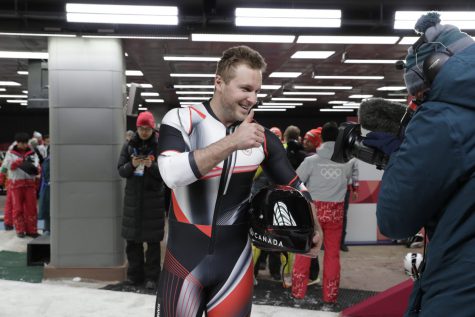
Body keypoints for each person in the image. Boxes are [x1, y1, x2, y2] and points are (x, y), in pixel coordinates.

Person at [155, 45, 321, 317]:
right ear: (218, 82)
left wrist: (315, 226)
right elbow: (171, 174)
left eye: (257, 91)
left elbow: (297, 187)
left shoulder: (261, 137)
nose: (253, 99)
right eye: (245, 89)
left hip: (234, 265)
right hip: (184, 264)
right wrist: (233, 142)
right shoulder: (183, 120)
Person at [364, 12, 475, 316]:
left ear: (436, 66)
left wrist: (402, 154)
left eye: (422, 93)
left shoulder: (441, 119)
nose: (420, 101)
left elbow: (394, 219)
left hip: (461, 289)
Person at [293, 121, 354, 306]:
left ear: (321, 138)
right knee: (332, 255)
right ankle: (330, 297)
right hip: (335, 212)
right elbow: (348, 181)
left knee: (304, 252)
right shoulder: (348, 162)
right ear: (338, 139)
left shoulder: (311, 161)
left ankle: (297, 295)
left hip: (313, 212)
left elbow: (296, 181)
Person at [117, 111, 166, 290]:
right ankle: (134, 275)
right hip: (132, 201)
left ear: (153, 128)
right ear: (136, 128)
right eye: (141, 128)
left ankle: (152, 277)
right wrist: (132, 164)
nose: (144, 132)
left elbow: (166, 173)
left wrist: (150, 166)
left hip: (153, 201)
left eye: (147, 128)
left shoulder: (161, 145)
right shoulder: (129, 146)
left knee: (153, 243)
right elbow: (121, 170)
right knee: (132, 242)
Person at [1, 132, 40, 238]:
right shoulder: (11, 152)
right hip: (16, 184)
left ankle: (32, 230)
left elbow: (36, 164)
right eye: (22, 143)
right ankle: (20, 230)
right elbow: (6, 165)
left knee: (32, 208)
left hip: (30, 184)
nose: (24, 145)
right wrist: (15, 163)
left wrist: (36, 169)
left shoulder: (32, 152)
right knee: (17, 209)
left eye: (25, 143)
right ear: (17, 143)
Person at [340, 158, 359, 252]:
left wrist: (355, 189)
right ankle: (325, 243)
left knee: (343, 216)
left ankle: (341, 242)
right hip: (328, 188)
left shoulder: (352, 156)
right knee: (327, 215)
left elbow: (355, 173)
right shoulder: (330, 150)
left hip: (345, 189)